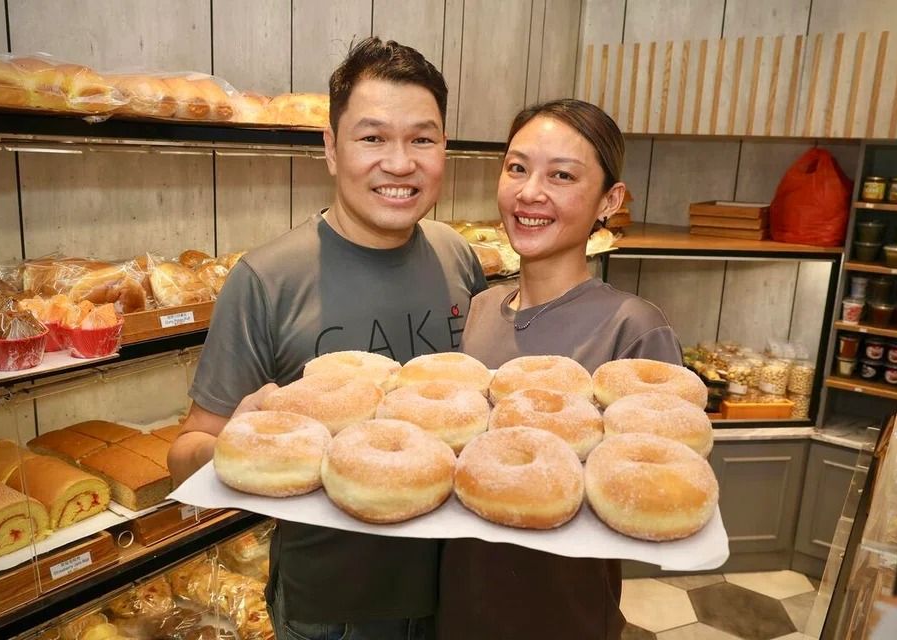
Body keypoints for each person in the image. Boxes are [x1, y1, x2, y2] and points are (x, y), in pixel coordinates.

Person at [167, 37, 486, 640]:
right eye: (372, 138)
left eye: (422, 138)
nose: (399, 163)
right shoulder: (267, 279)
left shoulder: (458, 257)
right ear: (331, 150)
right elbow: (185, 456)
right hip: (336, 609)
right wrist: (241, 441)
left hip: (461, 586)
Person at [436, 99, 683, 639]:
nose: (529, 193)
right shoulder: (480, 310)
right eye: (517, 168)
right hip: (459, 608)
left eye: (562, 175)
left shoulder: (634, 328)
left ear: (608, 201)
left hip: (565, 618)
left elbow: (659, 484)